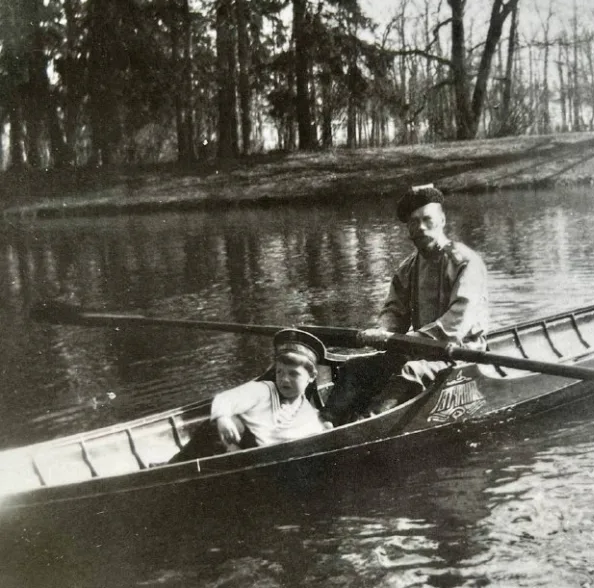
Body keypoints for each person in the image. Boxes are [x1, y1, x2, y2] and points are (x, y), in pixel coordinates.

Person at [322, 184, 489, 422]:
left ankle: (367, 422)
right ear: (408, 229)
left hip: (461, 353)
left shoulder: (466, 263)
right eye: (413, 222)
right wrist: (382, 332)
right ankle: (324, 422)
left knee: (410, 371)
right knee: (353, 368)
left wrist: (406, 341)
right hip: (419, 350)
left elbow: (454, 328)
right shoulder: (409, 268)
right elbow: (394, 312)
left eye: (427, 219)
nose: (421, 227)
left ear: (442, 221)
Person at [168, 329, 332, 463]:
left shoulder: (308, 412)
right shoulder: (263, 390)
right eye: (279, 372)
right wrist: (223, 419)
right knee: (218, 428)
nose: (284, 380)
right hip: (229, 446)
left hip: (259, 456)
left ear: (312, 377)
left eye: (293, 374)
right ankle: (176, 467)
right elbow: (224, 399)